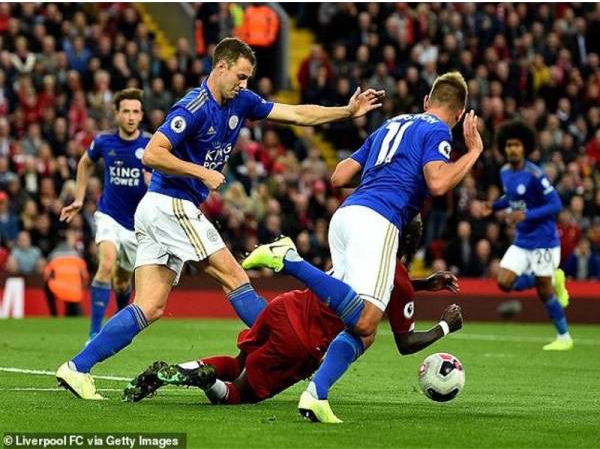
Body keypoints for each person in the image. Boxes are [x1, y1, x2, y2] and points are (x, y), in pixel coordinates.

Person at [56, 37, 384, 400]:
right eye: (240, 76)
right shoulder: (193, 106)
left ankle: (77, 368)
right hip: (171, 204)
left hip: (156, 209)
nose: (244, 84)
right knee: (234, 276)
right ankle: (287, 348)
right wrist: (200, 172)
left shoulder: (242, 100)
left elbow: (295, 114)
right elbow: (152, 153)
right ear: (221, 67)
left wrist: (345, 111)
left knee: (149, 306)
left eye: (248, 78)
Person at [248, 71, 481, 423]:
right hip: (380, 219)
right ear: (461, 114)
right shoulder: (437, 130)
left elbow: (339, 176)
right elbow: (438, 182)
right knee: (368, 317)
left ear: (425, 101)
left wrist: (382, 171)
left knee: (364, 330)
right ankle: (288, 258)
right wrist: (474, 150)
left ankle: (316, 395)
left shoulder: (391, 124)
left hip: (346, 216)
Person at [123, 221, 463, 410]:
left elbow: (380, 285)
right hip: (303, 341)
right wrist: (446, 325)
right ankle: (208, 380)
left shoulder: (359, 247)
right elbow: (405, 341)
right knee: (242, 394)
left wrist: (422, 284)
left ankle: (183, 369)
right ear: (413, 244)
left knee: (241, 362)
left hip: (285, 306)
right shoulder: (396, 277)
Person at [59, 88, 152, 340]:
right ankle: (94, 333)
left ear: (141, 115)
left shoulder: (152, 145)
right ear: (117, 114)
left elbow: (167, 177)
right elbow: (85, 162)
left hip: (137, 225)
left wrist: (153, 181)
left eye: (135, 111)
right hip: (108, 215)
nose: (131, 117)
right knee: (106, 264)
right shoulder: (104, 141)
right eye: (126, 111)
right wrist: (79, 198)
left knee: (122, 283)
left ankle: (121, 326)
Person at [476, 119, 572, 351]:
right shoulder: (505, 172)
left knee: (544, 291)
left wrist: (526, 215)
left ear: (525, 147)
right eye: (509, 145)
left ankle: (564, 337)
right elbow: (511, 198)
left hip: (545, 241)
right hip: (523, 240)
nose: (512, 149)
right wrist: (495, 206)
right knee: (504, 282)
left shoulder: (535, 173)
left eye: (517, 145)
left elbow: (555, 204)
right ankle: (551, 277)